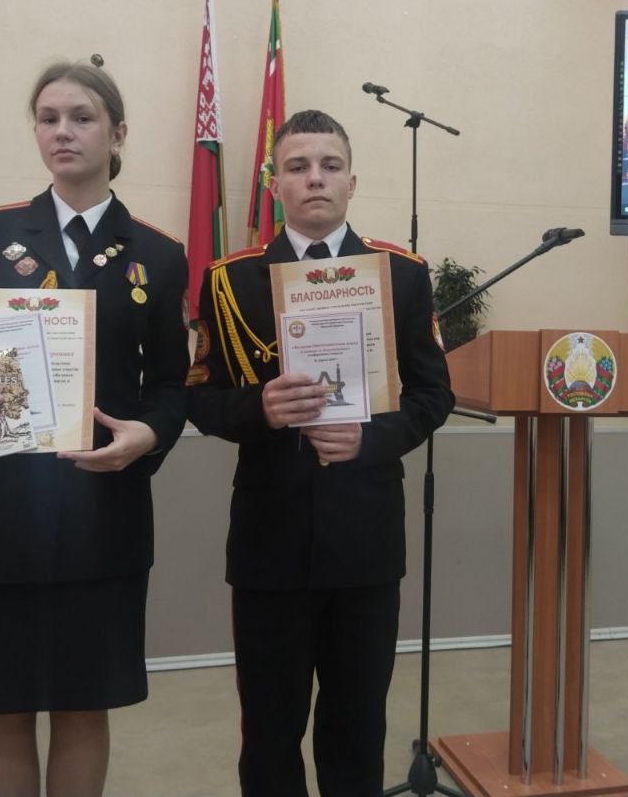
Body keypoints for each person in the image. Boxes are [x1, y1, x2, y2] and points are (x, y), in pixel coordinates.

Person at [0, 60, 190, 797]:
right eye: (48, 118)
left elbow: (172, 386)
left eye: (81, 117)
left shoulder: (158, 254)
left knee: (81, 706)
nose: (62, 132)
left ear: (118, 134)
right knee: (0, 708)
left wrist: (148, 437)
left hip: (99, 508)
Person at [186, 109, 454, 797]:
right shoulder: (230, 279)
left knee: (356, 729)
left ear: (351, 181)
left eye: (330, 166)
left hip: (365, 539)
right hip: (269, 541)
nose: (315, 179)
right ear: (276, 184)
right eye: (298, 166)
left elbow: (433, 395)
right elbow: (200, 397)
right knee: (269, 733)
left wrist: (372, 438)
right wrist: (259, 408)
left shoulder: (401, 274)